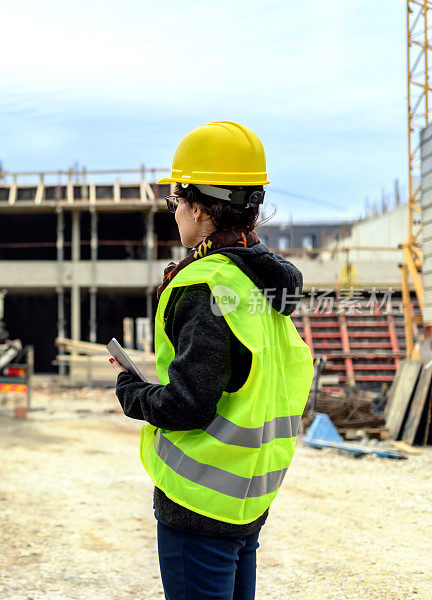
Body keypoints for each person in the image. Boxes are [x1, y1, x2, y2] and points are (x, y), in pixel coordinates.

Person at [110, 121, 314, 600]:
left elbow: (188, 404)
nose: (174, 212)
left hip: (199, 504)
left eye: (175, 201)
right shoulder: (260, 284)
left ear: (199, 206)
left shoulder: (205, 286)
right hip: (247, 501)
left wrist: (130, 392)